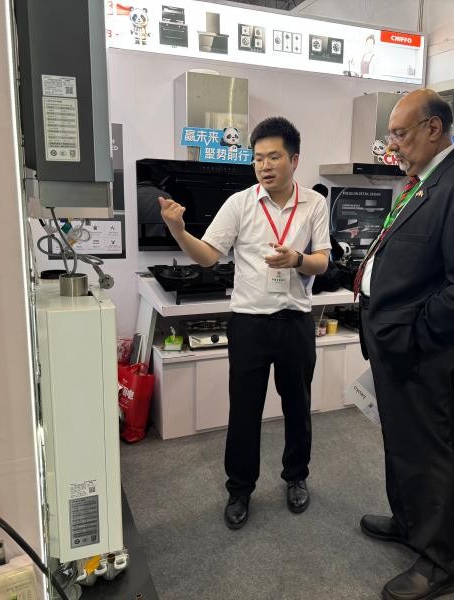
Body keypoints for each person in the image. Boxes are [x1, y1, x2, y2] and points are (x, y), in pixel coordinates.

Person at [354, 89, 454, 599]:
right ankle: (407, 522)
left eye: (399, 133)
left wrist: (417, 332)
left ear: (433, 128)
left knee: (426, 451)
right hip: (391, 344)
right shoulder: (421, 184)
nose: (392, 144)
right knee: (400, 442)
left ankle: (440, 562)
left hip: (420, 350)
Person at [158, 117, 331, 530]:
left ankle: (296, 476)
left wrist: (297, 260)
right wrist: (179, 231)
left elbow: (323, 262)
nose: (264, 166)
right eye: (258, 159)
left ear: (294, 159)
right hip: (249, 323)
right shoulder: (239, 203)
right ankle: (239, 489)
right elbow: (208, 256)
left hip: (295, 321)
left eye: (273, 157)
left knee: (298, 407)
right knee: (244, 411)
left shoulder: (314, 204)